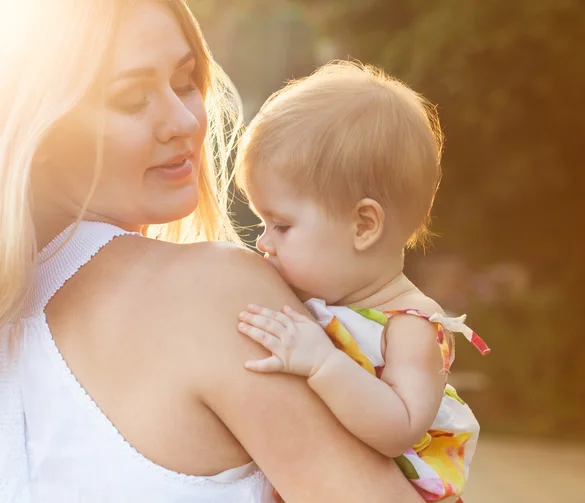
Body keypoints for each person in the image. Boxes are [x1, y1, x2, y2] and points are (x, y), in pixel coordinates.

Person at [0, 1, 425, 502]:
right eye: (133, 99)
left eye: (184, 82)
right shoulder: (211, 291)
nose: (183, 119)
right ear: (41, 125)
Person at [233, 62, 490, 502]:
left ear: (363, 225)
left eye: (281, 225)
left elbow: (399, 427)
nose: (264, 242)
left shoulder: (411, 327)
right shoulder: (322, 296)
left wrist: (322, 364)